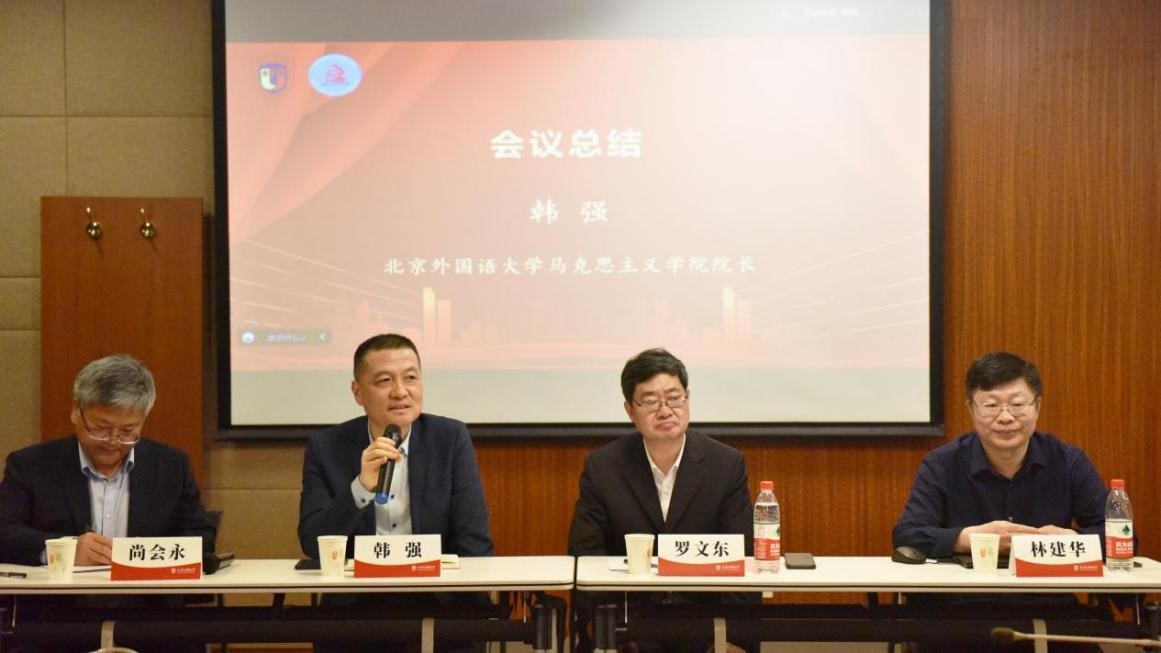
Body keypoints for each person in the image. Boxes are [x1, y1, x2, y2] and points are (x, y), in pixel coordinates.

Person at [892, 351, 1119, 652]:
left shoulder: (1068, 461)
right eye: (991, 405)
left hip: (1050, 609)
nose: (1005, 417)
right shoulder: (942, 464)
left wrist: (1072, 540)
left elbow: (1121, 539)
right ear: (971, 409)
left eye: (1017, 404)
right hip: (958, 612)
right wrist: (970, 538)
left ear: (1037, 406)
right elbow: (907, 535)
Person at [0, 354, 217, 652]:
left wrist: (144, 559)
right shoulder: (31, 465)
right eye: (100, 428)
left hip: (152, 620)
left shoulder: (170, 465)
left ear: (143, 420)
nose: (113, 440)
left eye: (128, 431)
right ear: (76, 411)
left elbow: (201, 536)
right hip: (55, 623)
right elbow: (4, 531)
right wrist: (63, 550)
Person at [297, 333, 494, 652]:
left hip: (438, 601)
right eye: (384, 381)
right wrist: (361, 487)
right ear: (357, 392)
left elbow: (475, 542)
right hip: (355, 607)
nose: (401, 391)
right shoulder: (326, 447)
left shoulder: (450, 438)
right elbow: (313, 543)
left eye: (411, 378)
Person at [568, 347, 755, 653]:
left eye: (674, 397)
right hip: (630, 624)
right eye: (651, 401)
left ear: (688, 399)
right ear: (630, 410)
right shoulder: (603, 468)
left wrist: (734, 637)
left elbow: (744, 555)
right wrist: (607, 633)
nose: (665, 411)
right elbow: (585, 555)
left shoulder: (726, 465)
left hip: (706, 625)